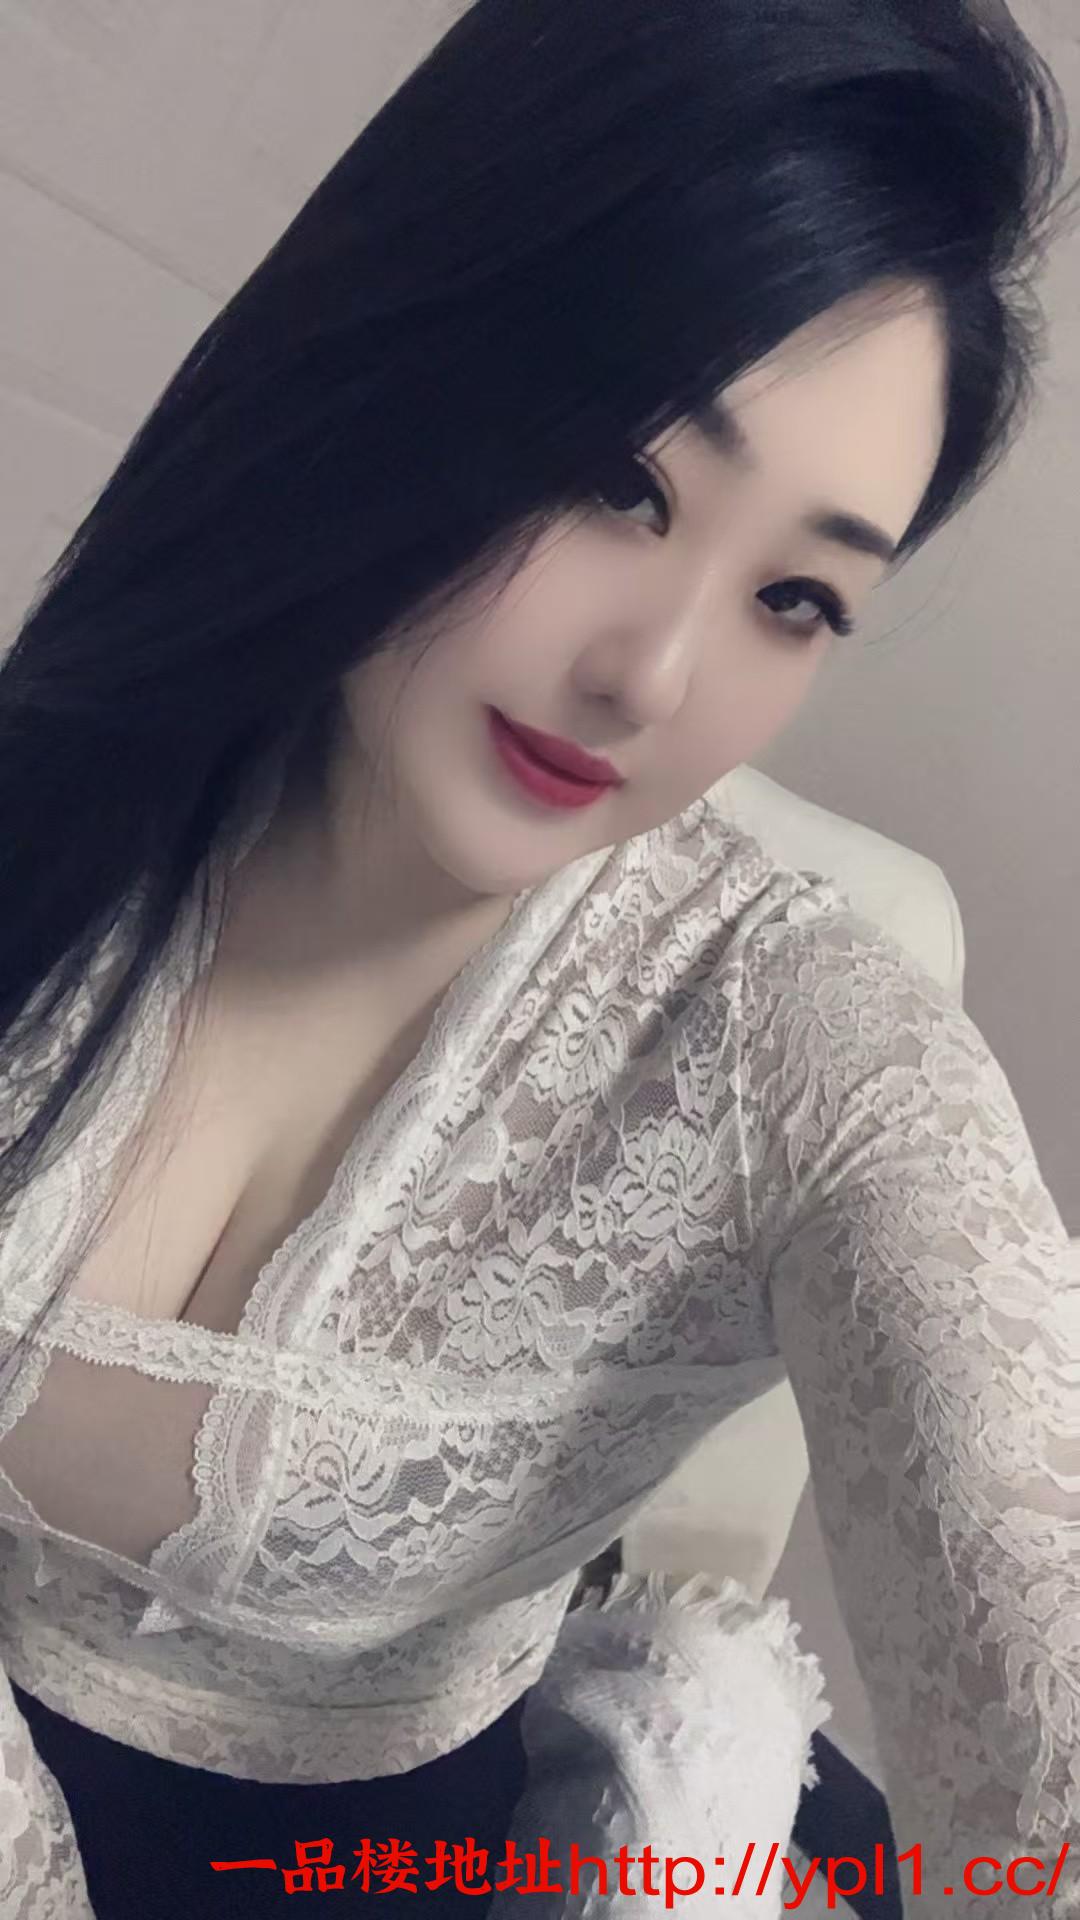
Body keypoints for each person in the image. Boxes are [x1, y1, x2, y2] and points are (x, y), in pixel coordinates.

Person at [0, 1, 1076, 1915]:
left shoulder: (795, 1043)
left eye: (795, 596)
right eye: (621, 482)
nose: (650, 676)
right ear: (417, 342)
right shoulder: (73, 779)